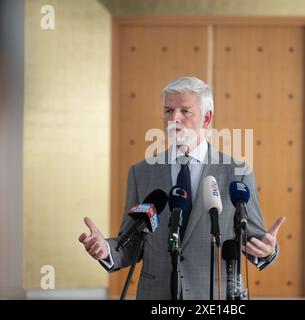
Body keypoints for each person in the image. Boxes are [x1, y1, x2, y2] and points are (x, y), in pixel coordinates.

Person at [79, 76, 286, 300]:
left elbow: (254, 239)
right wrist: (106, 250)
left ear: (206, 118)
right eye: (168, 111)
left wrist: (268, 251)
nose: (174, 118)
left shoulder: (238, 172)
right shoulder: (141, 173)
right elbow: (133, 242)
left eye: (185, 111)